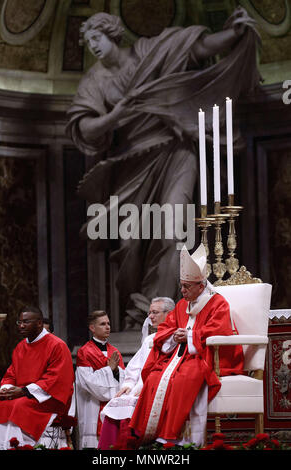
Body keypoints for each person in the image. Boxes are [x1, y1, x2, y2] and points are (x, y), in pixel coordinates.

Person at [66, 8, 261, 325]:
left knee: (173, 230)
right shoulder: (95, 81)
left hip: (175, 150)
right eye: (88, 42)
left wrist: (234, 34)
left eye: (97, 38)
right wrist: (118, 114)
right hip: (131, 164)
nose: (94, 47)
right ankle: (139, 313)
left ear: (112, 33)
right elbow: (86, 128)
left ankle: (163, 311)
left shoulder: (149, 51)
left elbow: (195, 47)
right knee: (132, 242)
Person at [129, 244, 244, 448]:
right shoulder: (182, 305)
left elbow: (220, 331)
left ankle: (173, 436)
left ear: (201, 285)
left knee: (185, 376)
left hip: (205, 357)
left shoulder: (218, 304)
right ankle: (151, 433)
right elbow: (166, 327)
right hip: (180, 357)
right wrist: (174, 336)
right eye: (181, 285)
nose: (182, 291)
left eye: (186, 287)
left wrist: (190, 336)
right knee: (155, 375)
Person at [0, 306, 74, 450]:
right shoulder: (20, 347)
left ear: (40, 323)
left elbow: (55, 379)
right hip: (24, 395)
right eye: (19, 322)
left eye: (26, 322)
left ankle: (17, 446)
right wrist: (6, 390)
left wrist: (23, 391)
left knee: (19, 406)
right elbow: (11, 374)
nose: (21, 325)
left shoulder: (57, 345)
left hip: (48, 400)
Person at [97, 297, 175, 450]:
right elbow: (134, 367)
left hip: (160, 387)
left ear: (169, 314)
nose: (150, 317)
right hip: (140, 387)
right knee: (116, 404)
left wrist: (144, 386)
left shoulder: (175, 338)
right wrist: (128, 384)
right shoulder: (149, 340)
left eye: (155, 312)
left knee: (130, 407)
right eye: (149, 312)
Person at [75, 310, 125, 449]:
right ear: (92, 328)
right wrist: (109, 370)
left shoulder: (114, 351)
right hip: (93, 406)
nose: (108, 327)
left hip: (113, 409)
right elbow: (88, 383)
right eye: (103, 324)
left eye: (108, 323)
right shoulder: (84, 352)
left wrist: (115, 371)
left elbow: (124, 381)